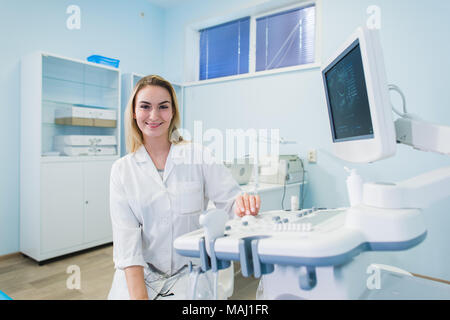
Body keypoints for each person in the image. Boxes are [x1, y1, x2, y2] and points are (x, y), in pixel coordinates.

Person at [107, 75, 261, 300]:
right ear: (133, 112)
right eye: (145, 107)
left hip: (190, 276)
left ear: (172, 113)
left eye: (163, 107)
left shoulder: (199, 156)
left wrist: (244, 206)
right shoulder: (122, 170)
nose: (154, 115)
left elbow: (230, 204)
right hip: (140, 277)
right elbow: (127, 245)